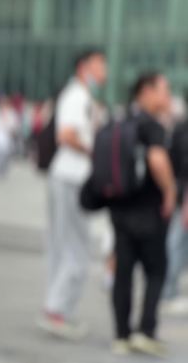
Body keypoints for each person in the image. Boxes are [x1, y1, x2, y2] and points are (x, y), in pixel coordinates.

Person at [39, 49, 107, 339]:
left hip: (66, 176)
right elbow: (66, 134)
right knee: (77, 247)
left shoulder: (79, 95)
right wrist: (96, 152)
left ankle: (56, 309)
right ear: (84, 67)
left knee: (63, 243)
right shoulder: (77, 95)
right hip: (72, 178)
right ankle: (57, 310)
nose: (104, 72)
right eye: (100, 65)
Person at [108, 73, 176, 356]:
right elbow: (157, 160)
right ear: (146, 92)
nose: (167, 96)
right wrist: (171, 192)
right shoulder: (152, 126)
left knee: (123, 272)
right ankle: (145, 331)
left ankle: (122, 335)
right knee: (156, 270)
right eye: (164, 90)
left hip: (120, 209)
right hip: (149, 211)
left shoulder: (120, 121)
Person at [164, 94, 188, 315]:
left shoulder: (179, 128)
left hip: (179, 192)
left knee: (177, 244)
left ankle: (169, 289)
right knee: (177, 243)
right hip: (184, 195)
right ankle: (168, 291)